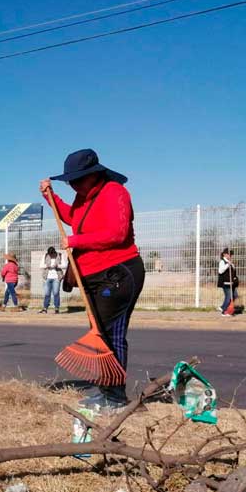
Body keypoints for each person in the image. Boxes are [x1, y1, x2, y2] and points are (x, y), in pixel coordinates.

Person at [40, 148, 145, 411]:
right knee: (98, 333)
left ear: (93, 174)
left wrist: (76, 241)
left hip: (118, 273)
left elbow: (117, 233)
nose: (73, 184)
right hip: (93, 277)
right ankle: (104, 389)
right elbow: (73, 219)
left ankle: (117, 397)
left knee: (112, 334)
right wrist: (50, 197)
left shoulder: (115, 192)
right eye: (70, 181)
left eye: (77, 178)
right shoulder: (82, 198)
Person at [40, 246, 65, 314]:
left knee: (56, 293)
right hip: (47, 277)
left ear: (54, 252)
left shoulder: (60, 255)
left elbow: (64, 265)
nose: (51, 255)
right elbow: (41, 265)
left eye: (52, 254)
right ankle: (45, 309)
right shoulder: (45, 256)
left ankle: (56, 308)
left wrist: (57, 266)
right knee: (47, 294)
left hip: (57, 277)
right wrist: (47, 266)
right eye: (50, 254)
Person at [217, 248, 239, 317]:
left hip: (232, 283)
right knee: (229, 297)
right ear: (225, 254)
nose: (231, 255)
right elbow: (220, 271)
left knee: (235, 296)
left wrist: (235, 278)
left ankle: (223, 307)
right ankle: (224, 311)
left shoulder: (230, 262)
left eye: (231, 254)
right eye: (229, 254)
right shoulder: (222, 262)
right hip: (225, 283)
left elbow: (233, 272)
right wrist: (228, 265)